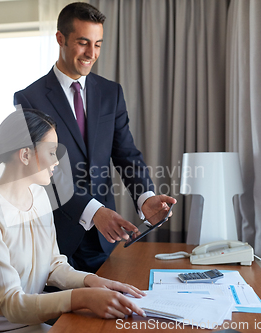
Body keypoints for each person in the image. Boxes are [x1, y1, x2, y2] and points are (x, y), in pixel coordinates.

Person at [14, 2, 176, 273]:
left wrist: (145, 197)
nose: (91, 53)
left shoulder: (111, 93)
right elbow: (41, 169)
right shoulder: (30, 98)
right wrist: (93, 211)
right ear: (60, 39)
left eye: (98, 44)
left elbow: (126, 153)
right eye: (83, 42)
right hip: (54, 238)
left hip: (104, 241)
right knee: (60, 316)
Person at [0, 109, 146, 333]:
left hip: (29, 323)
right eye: (52, 152)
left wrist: (92, 281)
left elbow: (53, 265)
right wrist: (80, 298)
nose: (57, 161)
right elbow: (10, 304)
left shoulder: (40, 196)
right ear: (24, 155)